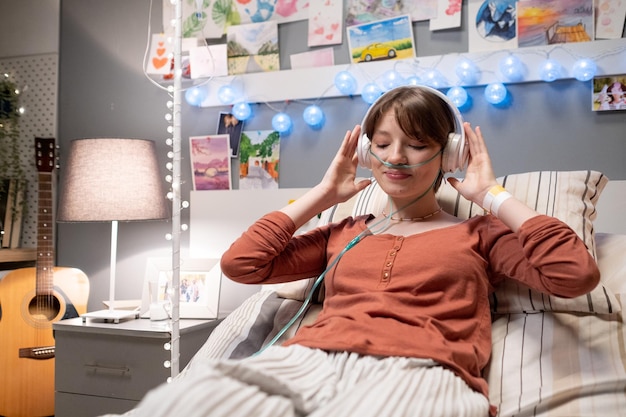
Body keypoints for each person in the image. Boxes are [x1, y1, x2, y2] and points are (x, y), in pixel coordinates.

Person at [124, 86, 599, 417]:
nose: (395, 157)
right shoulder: (344, 231)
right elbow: (242, 264)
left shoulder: (480, 233)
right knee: (177, 405)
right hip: (307, 361)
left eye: (417, 144)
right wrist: (324, 195)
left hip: (420, 372)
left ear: (449, 154)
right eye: (384, 143)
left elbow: (574, 273)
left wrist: (490, 193)